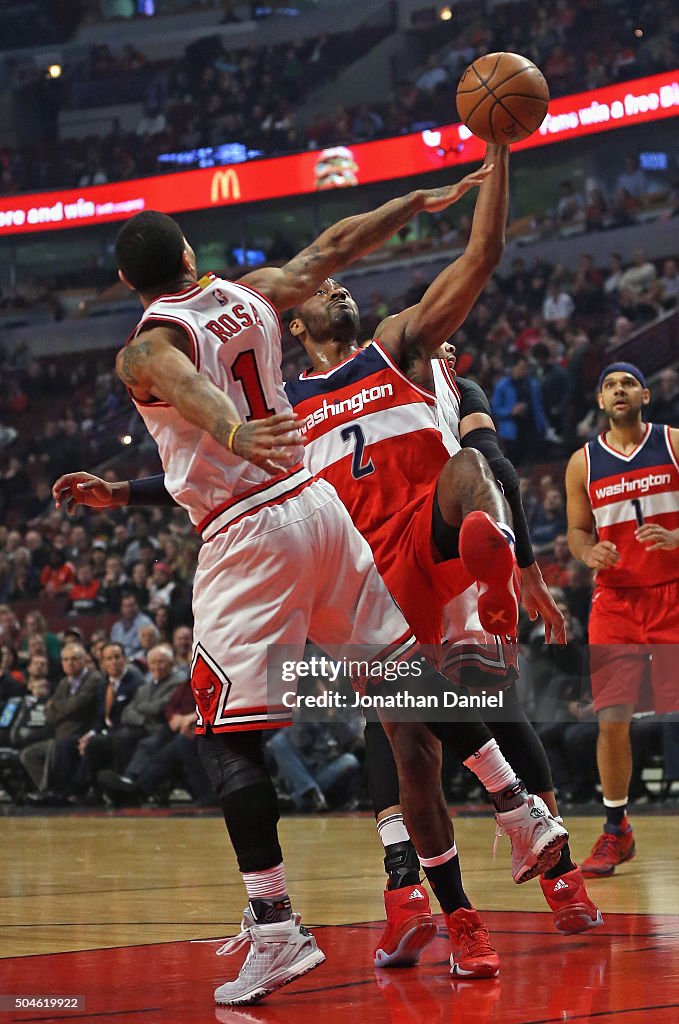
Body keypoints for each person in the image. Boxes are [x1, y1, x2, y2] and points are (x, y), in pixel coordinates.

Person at [53, 170, 541, 1005]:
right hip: (319, 509)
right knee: (396, 672)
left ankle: (274, 925)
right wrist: (413, 207)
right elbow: (334, 246)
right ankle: (519, 807)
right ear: (187, 253)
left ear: (131, 284)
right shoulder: (251, 297)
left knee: (225, 735)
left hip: (248, 529)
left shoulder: (142, 343)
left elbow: (180, 381)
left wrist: (233, 428)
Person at [565, 362, 679, 878]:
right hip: (616, 601)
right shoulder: (582, 463)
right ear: (599, 399)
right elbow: (577, 531)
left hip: (673, 592)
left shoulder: (674, 443)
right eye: (609, 384)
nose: (618, 390)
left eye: (627, 383)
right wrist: (589, 555)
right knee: (612, 719)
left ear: (645, 395)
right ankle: (616, 828)